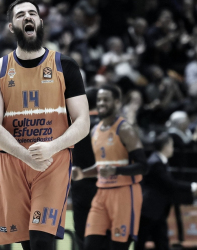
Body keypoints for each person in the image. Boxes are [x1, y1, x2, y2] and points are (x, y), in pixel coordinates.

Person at [0, 0, 90, 249]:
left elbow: (83, 122)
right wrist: (25, 155)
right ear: (11, 26)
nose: (28, 17)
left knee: (42, 240)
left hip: (52, 161)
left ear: (40, 22)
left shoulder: (66, 65)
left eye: (33, 13)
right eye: (21, 15)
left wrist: (52, 148)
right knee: (27, 243)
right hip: (13, 160)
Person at [72, 85, 148, 250]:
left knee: (117, 246)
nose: (101, 103)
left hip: (124, 192)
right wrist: (82, 174)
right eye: (99, 100)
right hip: (101, 192)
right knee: (90, 245)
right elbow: (100, 166)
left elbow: (143, 166)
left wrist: (116, 170)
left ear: (117, 102)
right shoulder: (95, 131)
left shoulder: (126, 129)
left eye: (106, 99)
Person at [136, 132, 197, 250]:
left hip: (158, 211)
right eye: (171, 145)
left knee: (162, 242)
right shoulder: (155, 162)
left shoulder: (160, 161)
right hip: (149, 211)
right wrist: (195, 187)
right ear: (165, 146)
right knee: (141, 243)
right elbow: (171, 184)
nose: (172, 148)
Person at [70, 87, 101, 250]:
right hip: (104, 185)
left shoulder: (76, 124)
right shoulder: (106, 125)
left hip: (80, 185)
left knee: (82, 236)